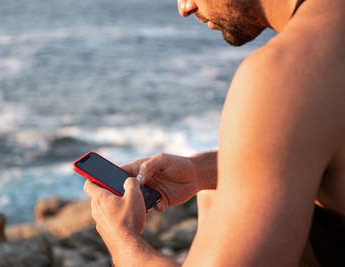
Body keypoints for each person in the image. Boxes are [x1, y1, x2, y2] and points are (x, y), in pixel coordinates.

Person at [83, 0, 345, 266]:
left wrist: (122, 240)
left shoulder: (285, 73)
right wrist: (199, 172)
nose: (185, 7)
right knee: (212, 193)